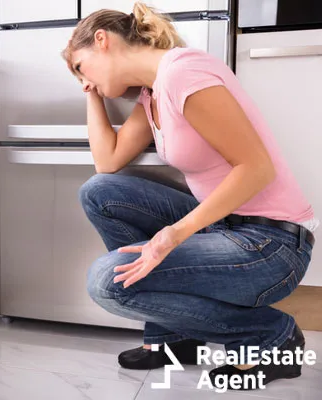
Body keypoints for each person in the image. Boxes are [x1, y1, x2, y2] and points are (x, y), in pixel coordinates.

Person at [62, 1, 319, 389]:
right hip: (226, 227)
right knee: (101, 192)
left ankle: (270, 337)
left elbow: (257, 168)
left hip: (272, 244)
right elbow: (107, 161)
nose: (85, 80)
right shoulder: (153, 94)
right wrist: (93, 94)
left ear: (102, 41)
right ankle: (173, 337)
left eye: (80, 68)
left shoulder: (185, 72)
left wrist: (174, 234)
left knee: (107, 282)